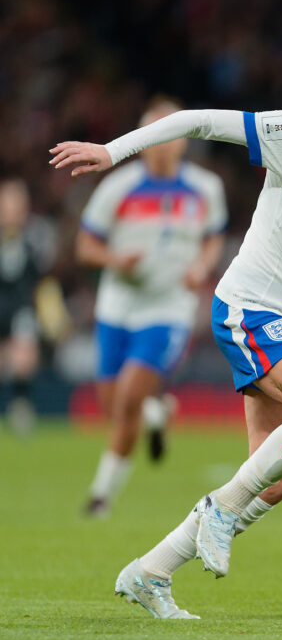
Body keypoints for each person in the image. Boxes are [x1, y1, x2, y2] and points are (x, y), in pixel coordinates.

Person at [50, 27, 282, 619]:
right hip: (253, 306)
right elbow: (196, 120)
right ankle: (219, 511)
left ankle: (150, 572)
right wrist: (113, 151)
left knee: (275, 481)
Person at [75, 97, 228, 518]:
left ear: (183, 140)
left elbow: (214, 237)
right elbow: (85, 246)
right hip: (117, 305)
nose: (161, 144)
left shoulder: (205, 188)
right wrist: (113, 259)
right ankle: (156, 412)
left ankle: (100, 496)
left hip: (168, 307)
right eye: (152, 136)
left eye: (169, 135)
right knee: (113, 407)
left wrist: (202, 265)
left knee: (127, 399)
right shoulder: (118, 187)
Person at [0, 178, 62, 436]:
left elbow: (43, 282)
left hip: (21, 308)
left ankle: (21, 405)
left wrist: (52, 315)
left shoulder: (36, 237)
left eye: (17, 204)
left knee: (23, 354)